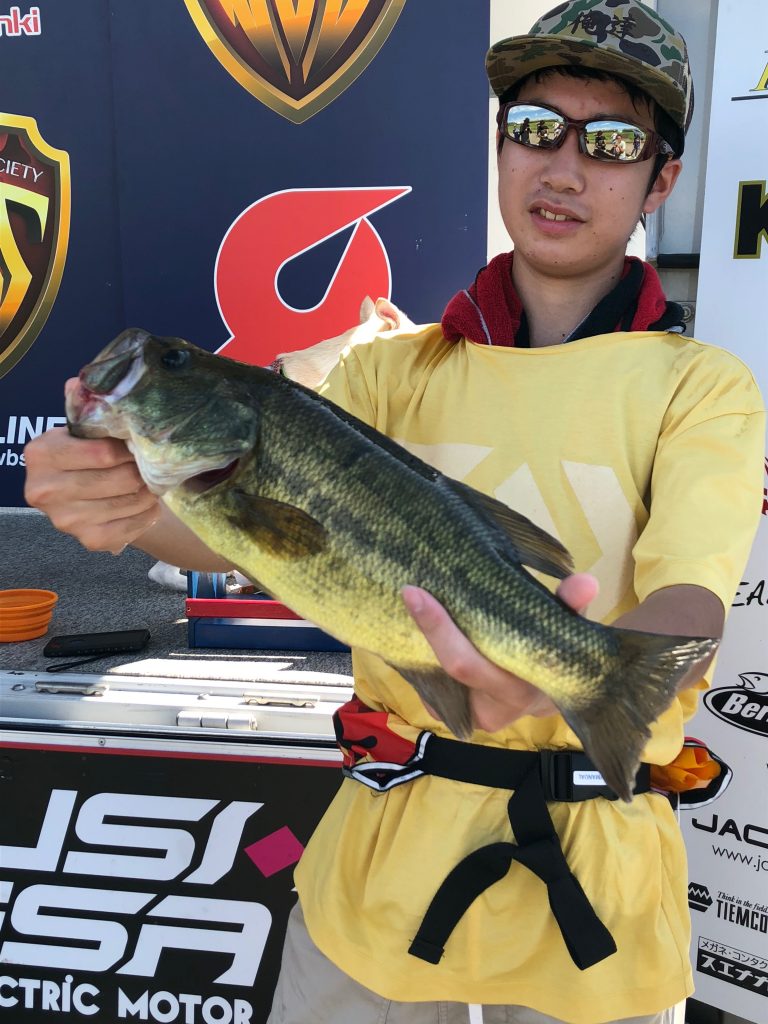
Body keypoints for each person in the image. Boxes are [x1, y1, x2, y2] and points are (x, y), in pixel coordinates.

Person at [23, 2, 765, 1023]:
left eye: (611, 142)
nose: (564, 168)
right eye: (536, 128)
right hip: (381, 874)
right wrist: (120, 505)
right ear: (501, 147)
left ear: (662, 179)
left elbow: (692, 600)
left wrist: (592, 678)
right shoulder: (381, 371)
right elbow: (251, 537)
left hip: (598, 896)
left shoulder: (704, 385)